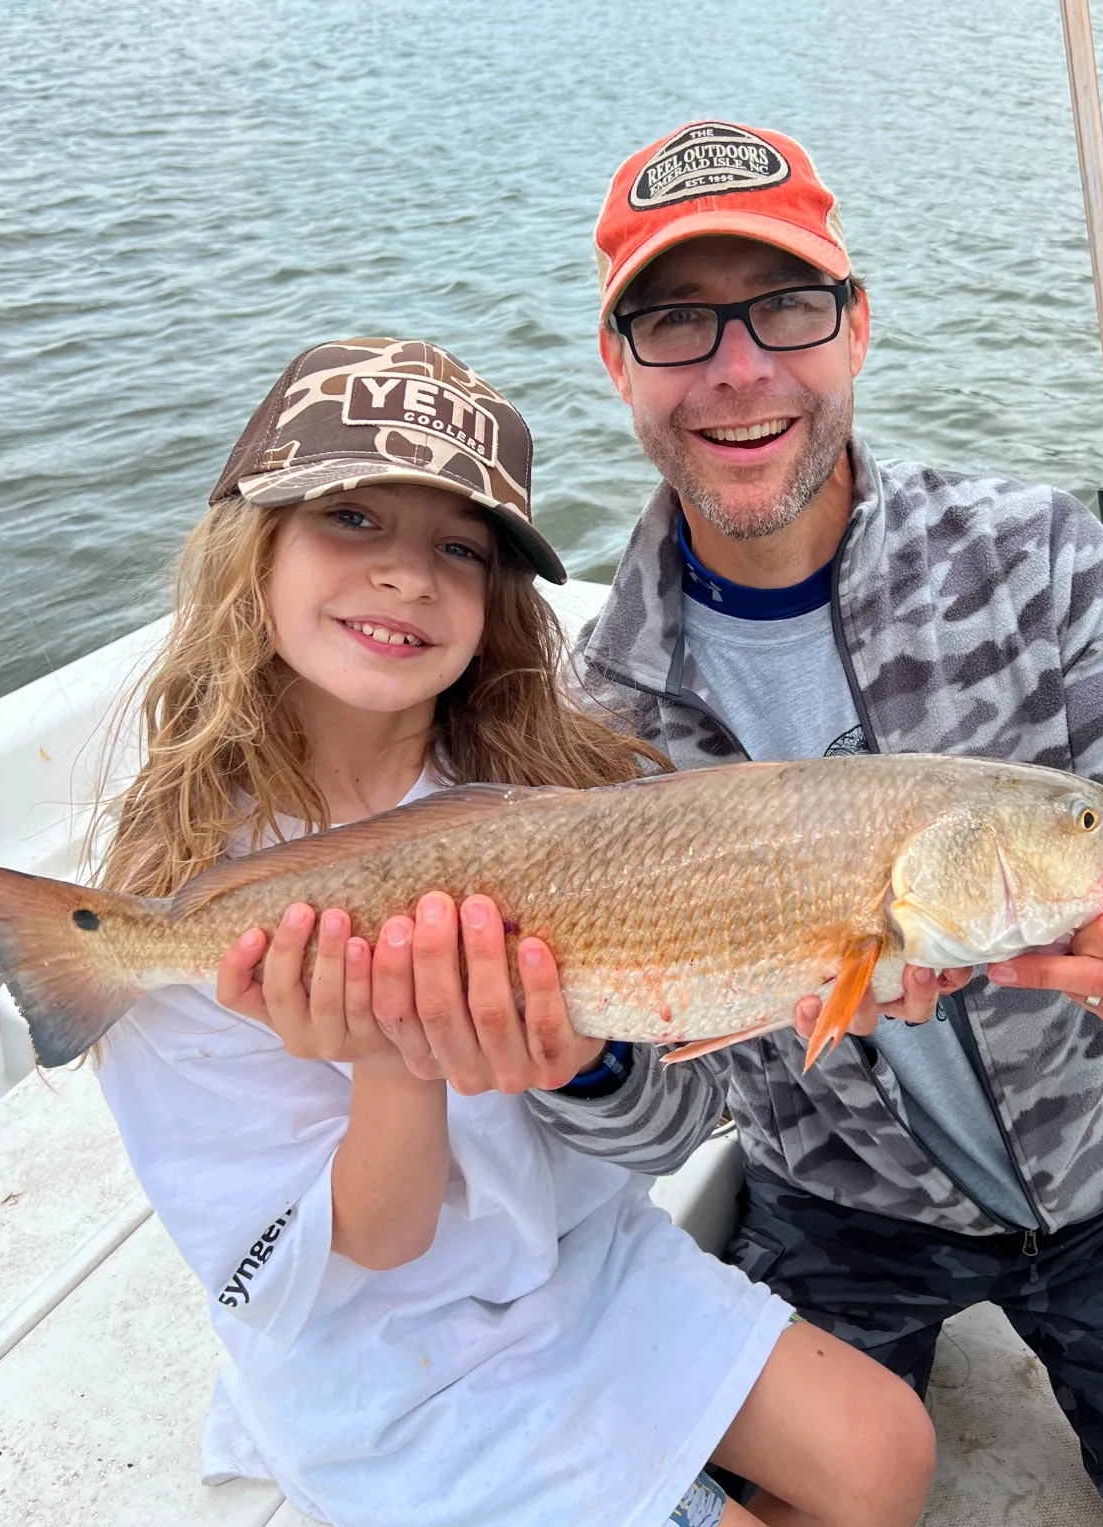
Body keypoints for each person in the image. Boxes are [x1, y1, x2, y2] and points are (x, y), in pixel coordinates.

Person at [400, 124, 1103, 1527]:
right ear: (617, 360)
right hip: (829, 1207)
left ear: (857, 324)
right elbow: (674, 1110)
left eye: (786, 305)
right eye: (676, 319)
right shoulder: (591, 711)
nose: (740, 366)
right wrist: (576, 1068)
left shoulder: (1034, 551)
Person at [88, 337, 935, 1527]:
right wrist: (394, 1054)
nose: (405, 575)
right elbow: (366, 1249)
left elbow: (664, 1122)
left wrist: (589, 1064)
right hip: (387, 1357)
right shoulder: (189, 897)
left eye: (459, 548)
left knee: (891, 1455)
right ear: (251, 547)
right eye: (350, 517)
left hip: (581, 1264)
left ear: (498, 602)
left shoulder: (559, 788)